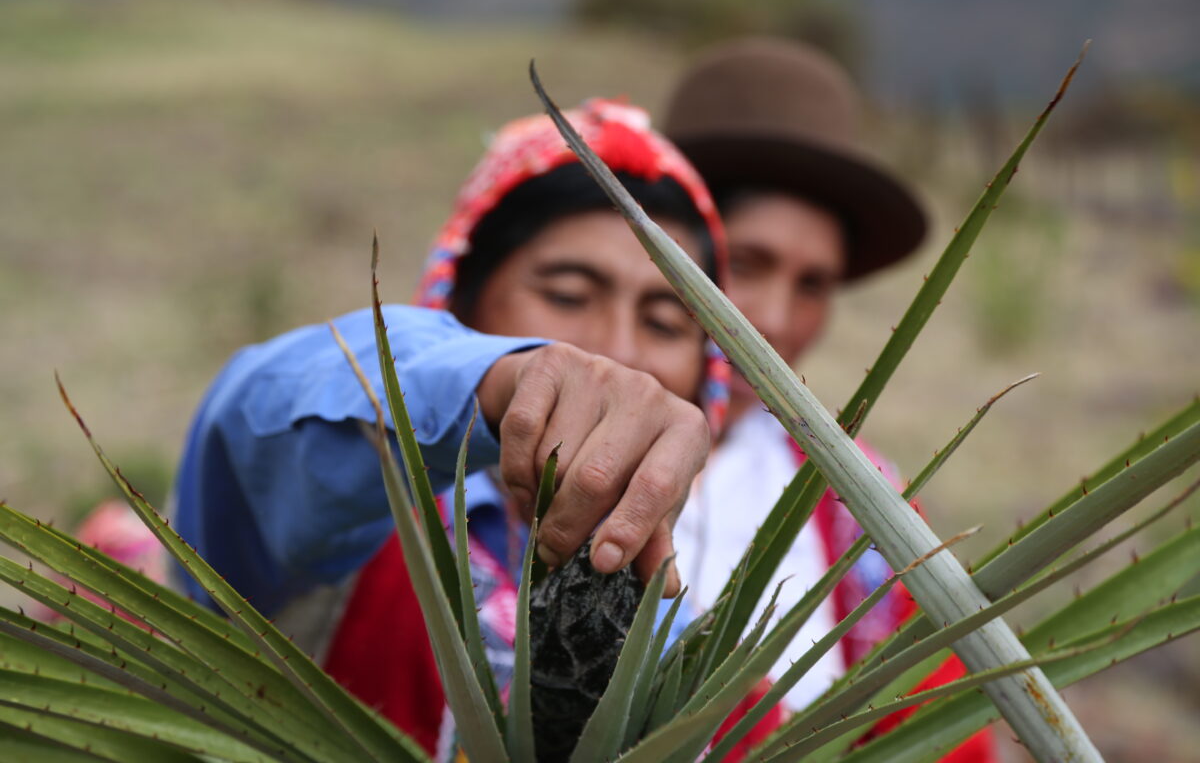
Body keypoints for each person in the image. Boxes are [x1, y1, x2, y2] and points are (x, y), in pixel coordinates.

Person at [171, 98, 769, 755]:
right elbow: (257, 421)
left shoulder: (693, 648)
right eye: (568, 294)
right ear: (459, 299)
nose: (613, 351)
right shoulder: (352, 524)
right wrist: (502, 380)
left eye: (664, 323)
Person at [662, 38, 996, 759]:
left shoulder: (858, 505)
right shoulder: (518, 460)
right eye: (745, 263)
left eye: (813, 285)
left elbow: (934, 729)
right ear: (658, 246)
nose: (777, 321)